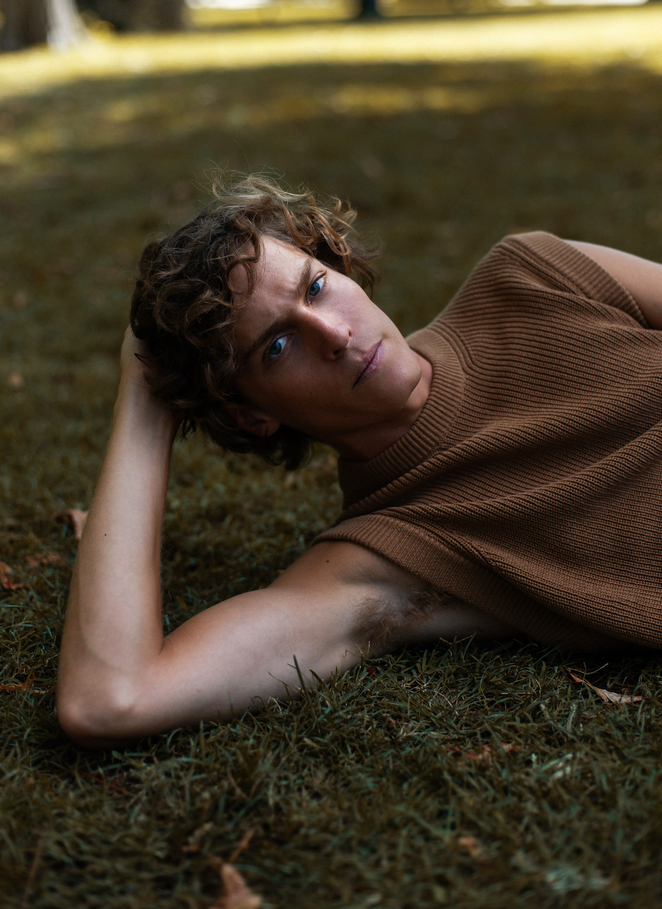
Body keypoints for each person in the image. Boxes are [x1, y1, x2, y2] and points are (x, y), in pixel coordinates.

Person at [57, 174, 662, 748]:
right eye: (279, 346)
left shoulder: (532, 273)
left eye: (315, 288)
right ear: (249, 415)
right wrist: (145, 396)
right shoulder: (385, 554)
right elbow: (111, 698)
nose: (333, 334)